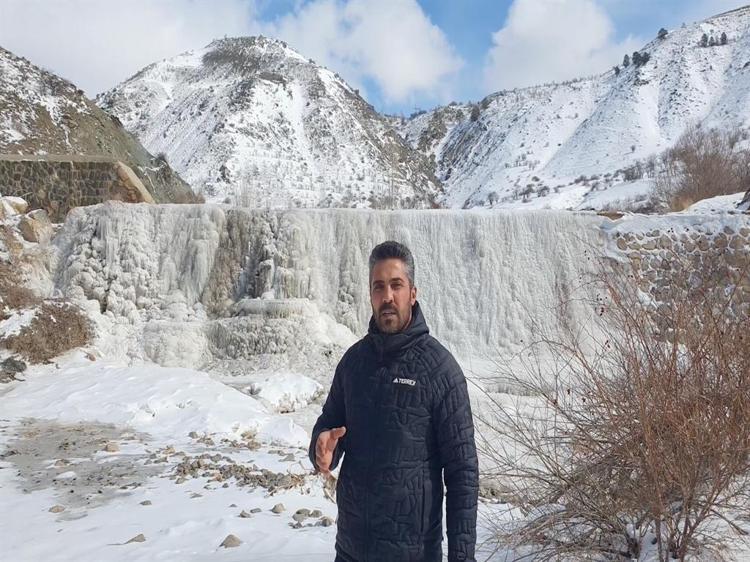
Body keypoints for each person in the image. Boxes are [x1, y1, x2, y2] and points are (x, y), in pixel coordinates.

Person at [308, 241, 479, 562]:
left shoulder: (440, 370)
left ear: (412, 293)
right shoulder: (353, 363)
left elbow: (463, 473)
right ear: (370, 295)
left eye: (396, 285)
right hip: (350, 551)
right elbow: (328, 426)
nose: (387, 296)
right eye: (379, 286)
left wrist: (462, 556)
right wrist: (321, 449)